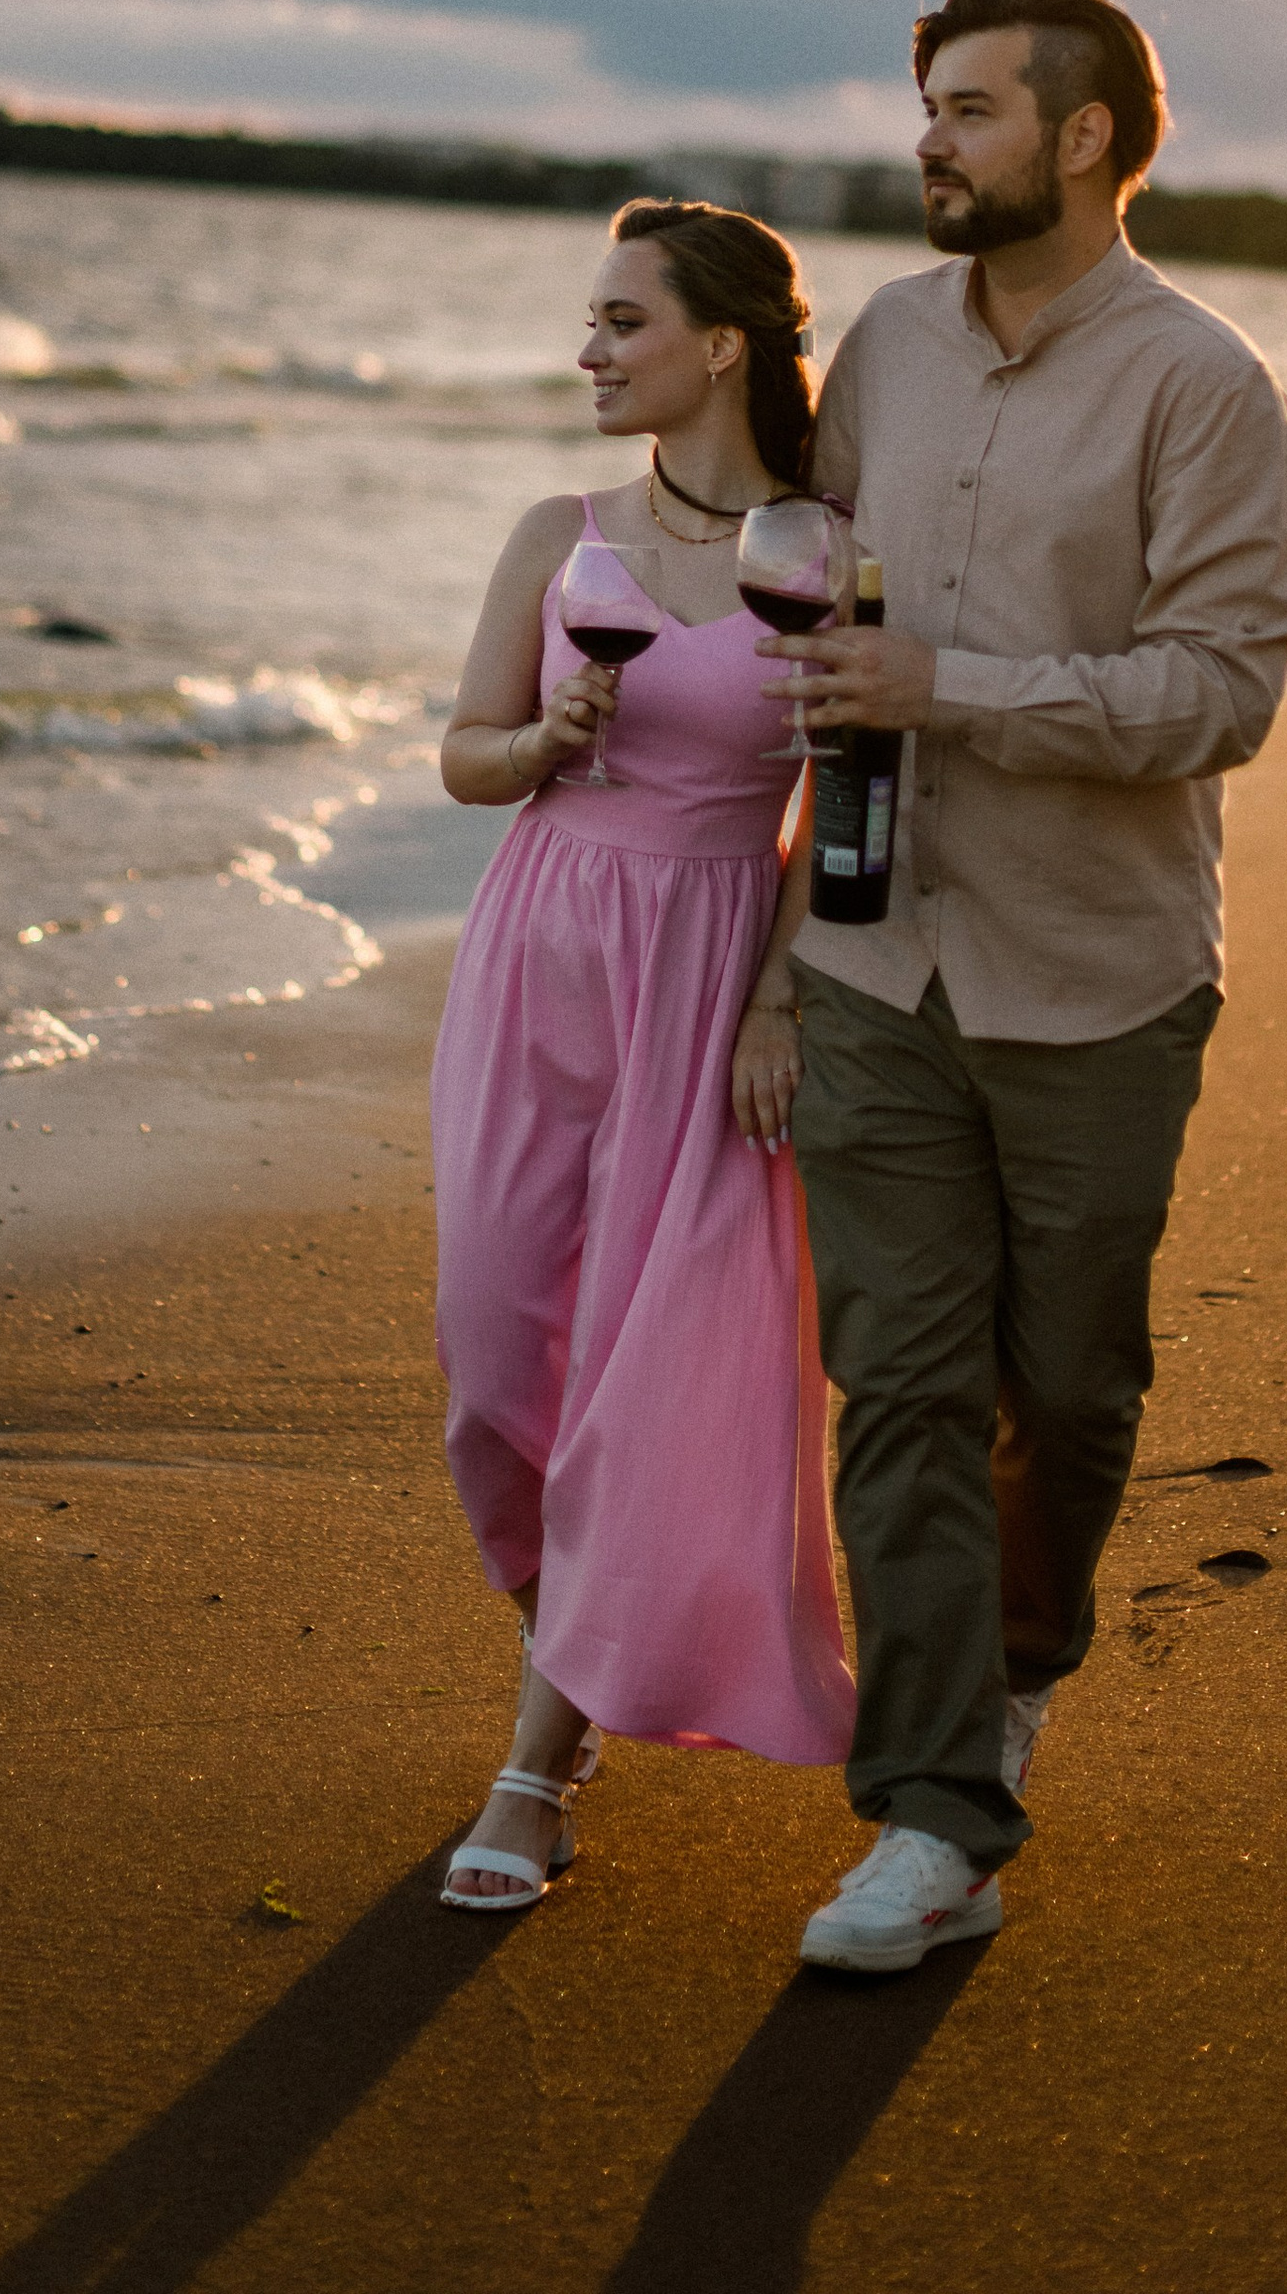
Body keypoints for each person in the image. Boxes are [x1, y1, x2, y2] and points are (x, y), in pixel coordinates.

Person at [733, 0, 1287, 1975]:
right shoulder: (886, 345)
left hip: (1097, 977)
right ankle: (928, 1820)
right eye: (928, 107)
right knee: (892, 1388)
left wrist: (943, 690)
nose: (932, 142)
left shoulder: (1201, 387)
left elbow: (1213, 695)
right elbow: (803, 564)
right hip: (876, 956)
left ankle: (1015, 1671)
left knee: (1059, 1393)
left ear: (1081, 139)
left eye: (971, 110)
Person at [429, 197, 856, 1910]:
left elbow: (848, 805)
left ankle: (535, 1764)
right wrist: (545, 734)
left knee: (640, 1376)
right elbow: (465, 755)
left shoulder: (825, 552)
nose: (590, 352)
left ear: (723, 343)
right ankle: (587, 1640)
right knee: (494, 1367)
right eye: (589, 324)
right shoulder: (563, 529)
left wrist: (781, 996)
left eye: (621, 322)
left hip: (708, 975)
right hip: (539, 960)